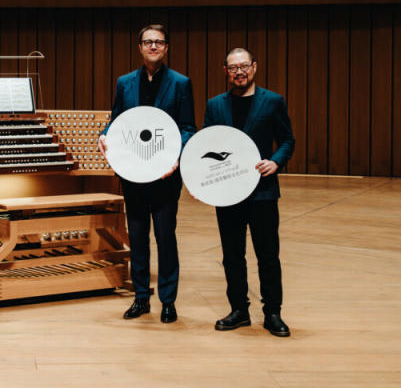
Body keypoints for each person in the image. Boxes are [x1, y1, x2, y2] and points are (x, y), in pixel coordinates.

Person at [98, 23, 195, 324]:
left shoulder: (181, 83)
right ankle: (141, 297)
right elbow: (116, 122)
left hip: (165, 176)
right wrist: (104, 136)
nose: (153, 46)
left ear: (166, 48)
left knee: (166, 237)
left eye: (159, 42)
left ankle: (168, 300)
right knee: (138, 237)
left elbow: (188, 128)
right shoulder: (125, 83)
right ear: (139, 47)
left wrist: (178, 156)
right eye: (148, 42)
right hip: (133, 174)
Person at [201, 47, 295, 337]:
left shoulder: (273, 101)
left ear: (254, 67)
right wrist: (200, 182)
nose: (239, 72)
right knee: (232, 255)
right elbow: (205, 147)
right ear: (225, 71)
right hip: (227, 192)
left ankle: (273, 313)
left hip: (262, 191)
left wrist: (276, 161)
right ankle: (239, 310)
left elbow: (287, 140)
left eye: (244, 66)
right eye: (233, 67)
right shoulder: (215, 105)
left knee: (268, 255)